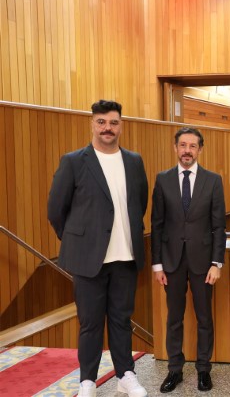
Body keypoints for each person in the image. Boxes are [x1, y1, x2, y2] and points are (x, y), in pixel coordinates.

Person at [47, 100, 148, 397]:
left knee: (121, 319)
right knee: (90, 323)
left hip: (125, 257)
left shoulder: (133, 160)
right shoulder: (74, 161)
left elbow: (139, 204)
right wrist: (78, 243)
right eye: (102, 122)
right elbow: (56, 209)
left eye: (113, 122)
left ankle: (125, 374)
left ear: (121, 126)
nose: (108, 128)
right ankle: (87, 381)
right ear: (92, 124)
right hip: (88, 260)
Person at [151, 127, 226, 393]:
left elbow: (219, 226)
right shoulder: (162, 179)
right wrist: (157, 265)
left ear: (200, 150)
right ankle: (174, 370)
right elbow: (157, 225)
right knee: (174, 318)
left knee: (205, 318)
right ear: (175, 148)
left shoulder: (213, 180)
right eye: (183, 145)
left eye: (193, 146)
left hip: (204, 263)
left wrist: (217, 263)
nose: (187, 150)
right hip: (171, 263)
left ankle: (204, 370)